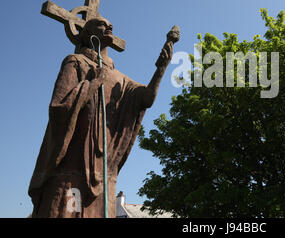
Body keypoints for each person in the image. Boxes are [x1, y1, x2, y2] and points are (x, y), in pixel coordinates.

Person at [28, 18, 177, 217]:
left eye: (110, 24)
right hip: (72, 163)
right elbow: (59, 107)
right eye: (101, 24)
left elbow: (146, 98)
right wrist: (93, 83)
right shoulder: (75, 62)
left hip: (102, 170)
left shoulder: (120, 79)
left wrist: (161, 69)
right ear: (87, 33)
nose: (109, 27)